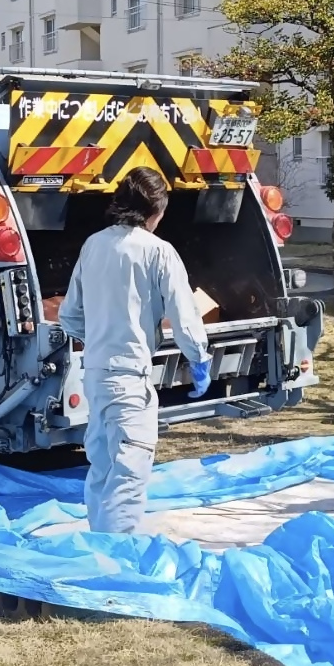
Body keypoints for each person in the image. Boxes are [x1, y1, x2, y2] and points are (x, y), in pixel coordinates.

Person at [58, 166, 212, 535]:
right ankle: (117, 556)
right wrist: (199, 358)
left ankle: (99, 545)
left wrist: (101, 337)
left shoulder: (93, 245)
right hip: (130, 379)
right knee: (129, 472)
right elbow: (184, 315)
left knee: (103, 467)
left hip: (95, 374)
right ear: (155, 210)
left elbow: (69, 315)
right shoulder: (159, 251)